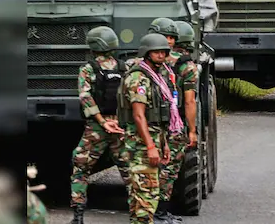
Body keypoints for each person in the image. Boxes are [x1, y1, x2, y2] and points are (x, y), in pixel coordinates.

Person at [69, 26, 129, 224]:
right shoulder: (123, 67)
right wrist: (120, 121)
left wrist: (103, 122)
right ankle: (142, 213)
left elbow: (85, 97)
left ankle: (78, 216)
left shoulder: (88, 69)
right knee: (129, 169)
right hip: (120, 126)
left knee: (80, 168)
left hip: (97, 126)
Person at [119, 34, 176, 224]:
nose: (161, 55)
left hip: (153, 139)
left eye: (163, 52)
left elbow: (158, 120)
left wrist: (164, 144)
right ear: (146, 53)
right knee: (146, 195)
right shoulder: (139, 78)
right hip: (141, 144)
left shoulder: (155, 77)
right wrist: (151, 146)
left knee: (142, 197)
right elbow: (138, 115)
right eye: (156, 52)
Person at [158, 20, 201, 224]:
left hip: (149, 122)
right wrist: (192, 130)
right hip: (175, 123)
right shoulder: (187, 66)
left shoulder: (145, 60)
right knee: (169, 168)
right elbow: (190, 100)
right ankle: (161, 212)